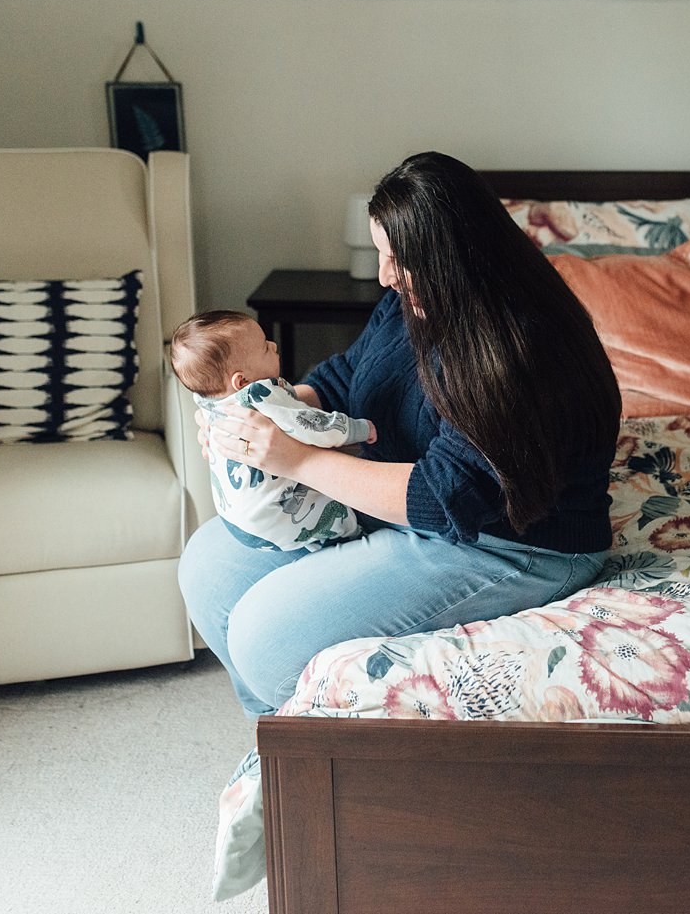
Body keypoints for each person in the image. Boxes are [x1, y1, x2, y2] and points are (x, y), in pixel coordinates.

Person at [178, 151, 622, 718]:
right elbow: (349, 374)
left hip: (511, 539)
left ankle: (308, 762)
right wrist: (267, 413)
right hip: (402, 493)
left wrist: (294, 459)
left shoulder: (521, 347)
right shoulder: (414, 300)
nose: (385, 275)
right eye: (383, 254)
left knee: (263, 638)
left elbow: (446, 497)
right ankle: (279, 742)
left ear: (452, 256)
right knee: (208, 565)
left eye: (398, 260)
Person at [170, 310, 376, 552]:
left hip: (238, 519)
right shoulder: (261, 397)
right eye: (264, 348)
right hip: (274, 516)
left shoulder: (208, 402)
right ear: (242, 382)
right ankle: (353, 539)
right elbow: (314, 426)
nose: (274, 345)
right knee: (338, 514)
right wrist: (359, 430)